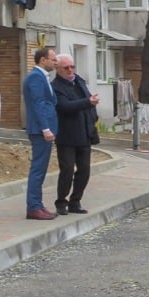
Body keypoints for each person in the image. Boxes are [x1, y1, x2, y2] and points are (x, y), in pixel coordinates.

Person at [51, 53, 100, 215]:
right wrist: (88, 102)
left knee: (84, 170)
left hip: (85, 133)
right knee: (67, 170)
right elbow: (64, 106)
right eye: (66, 67)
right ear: (57, 68)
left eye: (72, 67)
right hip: (67, 135)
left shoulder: (79, 81)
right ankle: (61, 202)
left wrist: (93, 116)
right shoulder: (56, 86)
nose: (70, 70)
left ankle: (75, 201)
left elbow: (89, 100)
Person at [21, 45, 59, 220]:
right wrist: (45, 128)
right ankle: (34, 207)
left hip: (44, 129)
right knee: (38, 169)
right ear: (43, 60)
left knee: (41, 169)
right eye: (53, 59)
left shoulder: (42, 76)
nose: (56, 62)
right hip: (40, 130)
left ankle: (38, 205)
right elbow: (38, 104)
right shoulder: (36, 77)